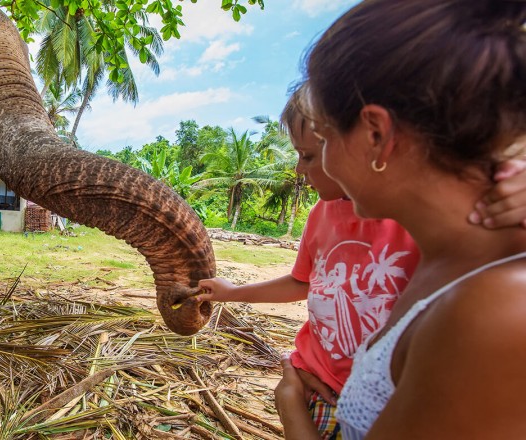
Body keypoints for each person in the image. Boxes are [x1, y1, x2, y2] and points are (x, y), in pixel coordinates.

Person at [197, 83, 526, 439]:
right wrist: (232, 293)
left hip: (385, 396)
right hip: (319, 383)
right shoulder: (322, 215)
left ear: (376, 139)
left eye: (309, 155)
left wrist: (291, 409)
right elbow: (305, 282)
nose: (297, 170)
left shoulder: (421, 224)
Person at [273, 1, 526, 439]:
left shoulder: (492, 312)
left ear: (376, 135)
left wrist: (292, 412)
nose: (318, 166)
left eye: (327, 138)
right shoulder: (448, 264)